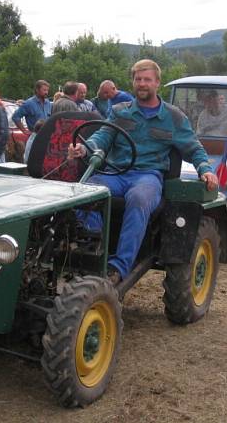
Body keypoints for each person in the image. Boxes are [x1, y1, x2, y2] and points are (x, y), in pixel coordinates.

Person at [68, 59, 218, 285]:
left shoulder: (174, 117)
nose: (142, 84)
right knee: (82, 192)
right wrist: (83, 148)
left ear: (157, 82)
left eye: (147, 79)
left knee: (138, 198)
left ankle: (118, 268)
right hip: (115, 173)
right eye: (138, 79)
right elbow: (102, 137)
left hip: (148, 177)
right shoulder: (120, 112)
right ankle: (95, 245)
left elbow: (193, 148)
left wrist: (205, 170)